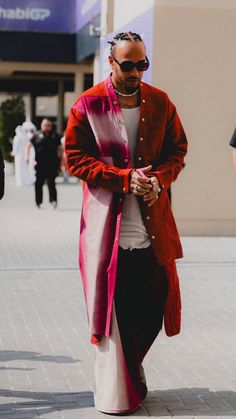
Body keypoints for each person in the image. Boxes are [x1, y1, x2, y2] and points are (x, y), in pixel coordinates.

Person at [65, 31, 188, 415]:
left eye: (142, 64)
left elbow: (177, 151)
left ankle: (131, 366)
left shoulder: (161, 102)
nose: (136, 72)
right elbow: (75, 158)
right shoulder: (88, 105)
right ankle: (121, 387)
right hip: (107, 235)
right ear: (111, 62)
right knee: (115, 316)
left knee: (154, 303)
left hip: (152, 230)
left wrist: (158, 180)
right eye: (128, 64)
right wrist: (122, 178)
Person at [27, 118, 63, 209]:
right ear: (41, 126)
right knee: (38, 183)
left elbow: (60, 148)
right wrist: (27, 156)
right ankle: (38, 202)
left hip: (52, 163)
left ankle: (53, 201)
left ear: (51, 126)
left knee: (51, 183)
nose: (47, 127)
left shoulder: (55, 135)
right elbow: (28, 145)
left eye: (49, 125)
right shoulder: (36, 135)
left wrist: (62, 160)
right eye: (45, 125)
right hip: (39, 164)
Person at [12, 122, 36, 187]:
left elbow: (15, 147)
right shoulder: (24, 137)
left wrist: (13, 153)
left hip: (18, 155)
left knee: (19, 168)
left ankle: (20, 181)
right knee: (24, 168)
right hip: (24, 154)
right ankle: (25, 180)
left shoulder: (17, 137)